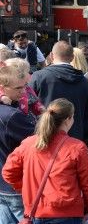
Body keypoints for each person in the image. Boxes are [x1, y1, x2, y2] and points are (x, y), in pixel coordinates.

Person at [2, 98, 88, 224]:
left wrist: (25, 188)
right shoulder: (77, 147)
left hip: (35, 211)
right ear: (68, 119)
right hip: (66, 212)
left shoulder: (28, 143)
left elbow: (8, 172)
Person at [29, 41, 88, 142]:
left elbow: (27, 107)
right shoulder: (84, 82)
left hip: (44, 138)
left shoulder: (38, 77)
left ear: (51, 55)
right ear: (72, 57)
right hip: (74, 140)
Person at [0, 65, 37, 223]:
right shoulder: (11, 116)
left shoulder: (10, 111)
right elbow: (39, 137)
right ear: (3, 88)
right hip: (15, 185)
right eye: (18, 88)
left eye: (24, 86)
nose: (23, 92)